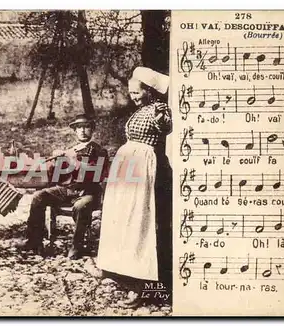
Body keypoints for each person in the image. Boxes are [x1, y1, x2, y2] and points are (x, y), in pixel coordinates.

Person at [96, 67, 172, 308]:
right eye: (131, 93)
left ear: (149, 91)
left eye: (137, 92)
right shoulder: (141, 110)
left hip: (142, 166)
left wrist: (162, 116)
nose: (134, 97)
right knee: (120, 218)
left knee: (138, 221)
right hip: (128, 166)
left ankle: (142, 286)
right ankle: (119, 272)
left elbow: (166, 128)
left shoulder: (158, 110)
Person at [17, 114, 109, 260]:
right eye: (79, 128)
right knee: (38, 197)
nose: (83, 131)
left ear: (92, 130)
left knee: (81, 206)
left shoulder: (99, 151)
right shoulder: (71, 150)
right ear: (75, 131)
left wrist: (71, 160)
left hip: (88, 192)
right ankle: (34, 240)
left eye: (86, 127)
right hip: (67, 190)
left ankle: (77, 246)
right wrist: (55, 163)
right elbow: (57, 177)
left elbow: (94, 174)